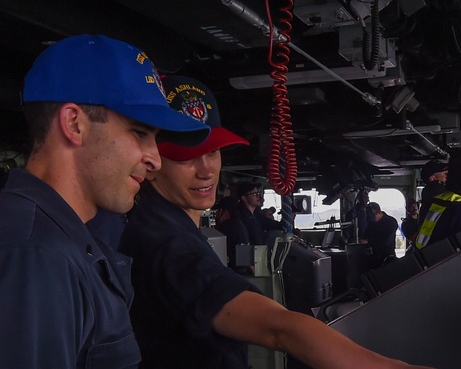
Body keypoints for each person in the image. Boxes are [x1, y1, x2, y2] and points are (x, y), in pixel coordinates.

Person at [118, 75, 434, 369]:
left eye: (213, 151)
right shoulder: (164, 242)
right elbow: (279, 330)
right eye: (186, 156)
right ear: (152, 162)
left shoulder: (155, 220)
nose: (206, 170)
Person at [0, 35, 209, 368]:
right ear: (74, 124)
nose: (155, 160)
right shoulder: (35, 255)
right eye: (139, 133)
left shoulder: (64, 239)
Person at [214, 195, 253, 275]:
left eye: (219, 210)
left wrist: (218, 227)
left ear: (225, 211)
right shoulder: (238, 223)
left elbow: (216, 245)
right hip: (241, 269)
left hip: (234, 271)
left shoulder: (230, 226)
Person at [361, 202, 400, 268]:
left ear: (379, 212)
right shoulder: (371, 224)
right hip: (374, 257)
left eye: (372, 216)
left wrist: (368, 241)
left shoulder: (391, 222)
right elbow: (365, 236)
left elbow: (386, 241)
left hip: (388, 258)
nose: (371, 219)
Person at [418, 159, 448, 226]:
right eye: (445, 174)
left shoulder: (428, 191)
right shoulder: (437, 190)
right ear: (432, 178)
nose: (447, 176)